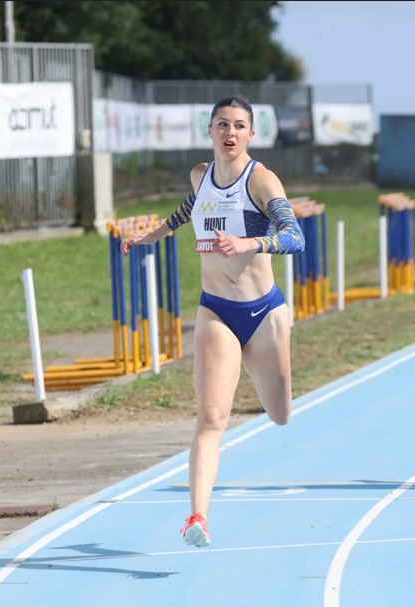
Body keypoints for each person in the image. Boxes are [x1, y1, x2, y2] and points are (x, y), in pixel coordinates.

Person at [120, 95, 305, 547]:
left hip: (263, 314)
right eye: (222, 124)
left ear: (251, 133)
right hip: (216, 311)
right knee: (210, 419)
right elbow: (189, 211)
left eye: (239, 126)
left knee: (280, 414)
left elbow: (294, 236)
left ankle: (256, 364)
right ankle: (197, 517)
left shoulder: (261, 180)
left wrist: (249, 244)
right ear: (210, 130)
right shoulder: (200, 176)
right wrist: (151, 236)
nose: (230, 133)